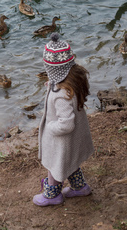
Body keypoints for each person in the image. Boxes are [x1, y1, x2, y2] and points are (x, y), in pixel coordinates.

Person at [33, 32, 94, 206]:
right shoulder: (72, 83)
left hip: (62, 138)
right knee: (70, 160)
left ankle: (52, 195)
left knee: (54, 164)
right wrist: (50, 85)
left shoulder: (60, 94)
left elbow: (66, 124)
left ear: (50, 68)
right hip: (73, 140)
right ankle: (80, 187)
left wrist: (51, 128)